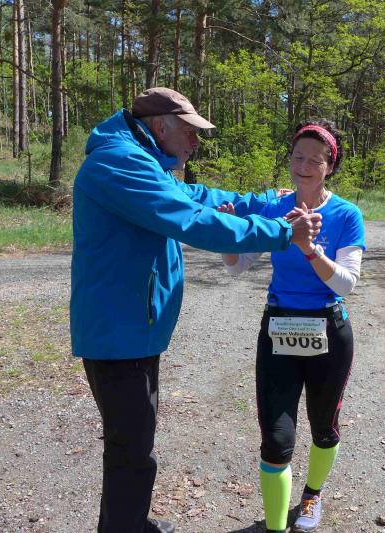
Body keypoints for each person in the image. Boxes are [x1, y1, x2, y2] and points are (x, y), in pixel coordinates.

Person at [70, 87, 322, 533]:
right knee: (130, 450)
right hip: (118, 332)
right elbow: (193, 221)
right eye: (190, 132)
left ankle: (132, 523)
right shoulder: (119, 163)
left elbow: (199, 197)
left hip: (133, 329)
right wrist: (282, 233)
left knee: (135, 442)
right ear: (160, 126)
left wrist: (264, 199)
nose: (196, 142)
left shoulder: (145, 161)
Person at [220, 119, 365, 533]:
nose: (303, 167)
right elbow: (238, 267)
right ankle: (275, 527)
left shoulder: (346, 214)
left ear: (330, 166)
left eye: (314, 160)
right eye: (297, 157)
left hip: (328, 330)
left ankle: (312, 494)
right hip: (278, 329)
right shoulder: (273, 210)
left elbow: (346, 284)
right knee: (276, 439)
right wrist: (229, 238)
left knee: (324, 427)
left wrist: (309, 249)